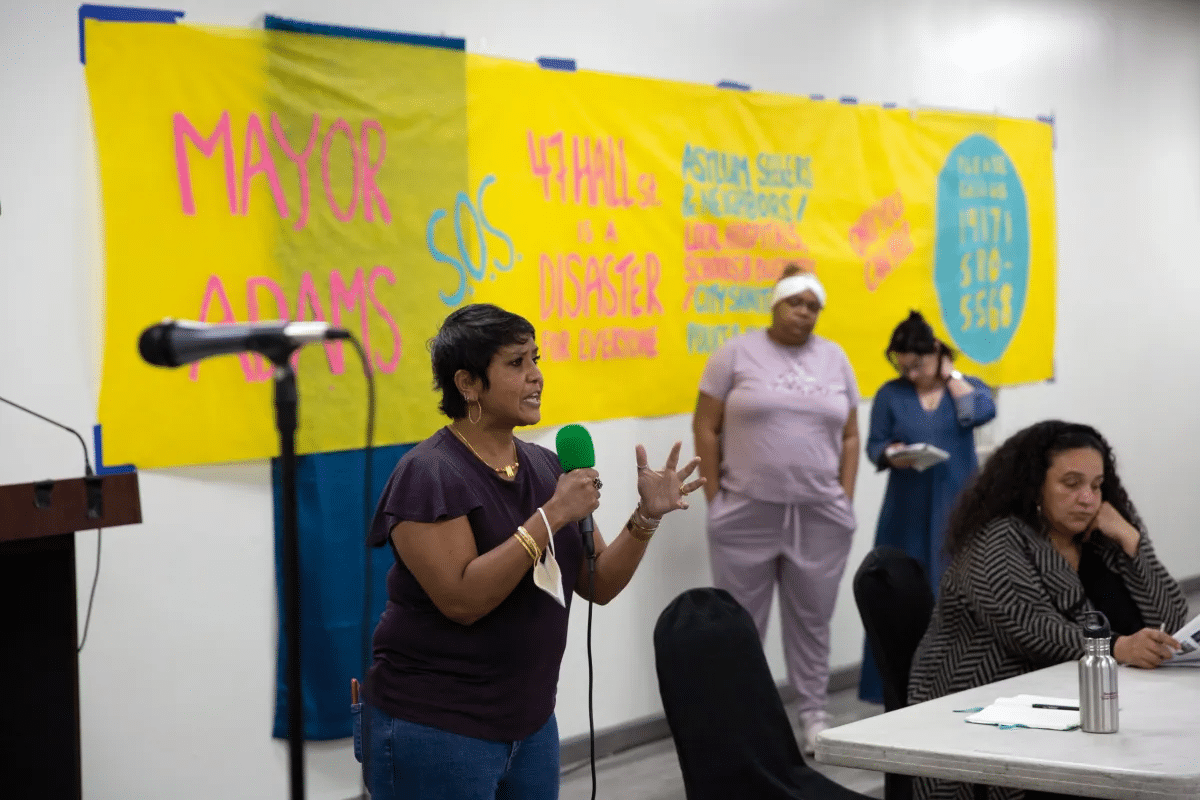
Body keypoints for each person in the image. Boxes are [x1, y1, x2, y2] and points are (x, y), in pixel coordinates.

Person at [361, 303, 704, 800]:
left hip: (531, 725)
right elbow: (462, 601)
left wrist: (645, 517)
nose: (536, 376)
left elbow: (598, 583)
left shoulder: (547, 467)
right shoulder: (429, 473)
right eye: (516, 364)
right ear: (468, 383)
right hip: (437, 727)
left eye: (536, 360)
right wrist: (551, 516)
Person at [908, 420, 1189, 800]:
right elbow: (1032, 630)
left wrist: (1133, 545)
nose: (1087, 498)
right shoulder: (998, 539)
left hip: (1068, 709)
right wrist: (1118, 646)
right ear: (1034, 484)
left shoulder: (1099, 540)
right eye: (1071, 484)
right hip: (979, 715)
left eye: (1096, 485)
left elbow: (1170, 621)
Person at [691, 264, 860, 755]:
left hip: (820, 515)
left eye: (813, 306)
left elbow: (850, 435)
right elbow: (706, 425)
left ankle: (813, 715)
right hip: (745, 512)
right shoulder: (735, 354)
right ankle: (740, 721)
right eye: (795, 302)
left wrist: (844, 501)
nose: (804, 313)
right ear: (775, 303)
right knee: (740, 623)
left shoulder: (835, 359)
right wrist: (716, 499)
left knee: (813, 618)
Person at [858, 310, 996, 704]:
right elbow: (874, 446)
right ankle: (899, 690)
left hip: (956, 509)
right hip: (906, 513)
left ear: (937, 353)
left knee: (956, 596)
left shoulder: (965, 388)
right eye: (903, 366)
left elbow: (978, 413)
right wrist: (891, 453)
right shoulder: (890, 394)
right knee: (901, 599)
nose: (911, 374)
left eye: (917, 365)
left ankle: (961, 685)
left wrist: (951, 376)